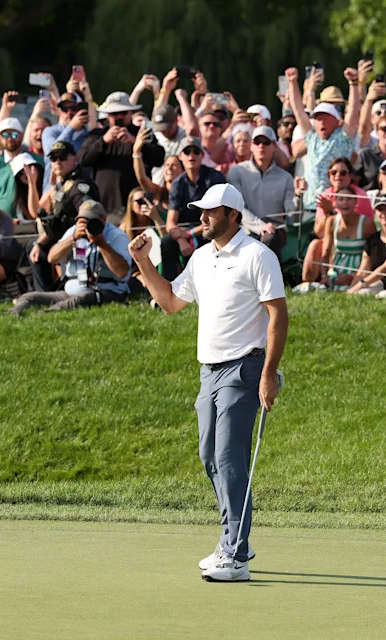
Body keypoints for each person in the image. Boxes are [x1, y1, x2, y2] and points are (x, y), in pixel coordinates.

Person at [127, 183, 288, 582]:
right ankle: (238, 540)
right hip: (209, 370)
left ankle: (235, 556)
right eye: (201, 211)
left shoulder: (258, 256)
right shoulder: (201, 258)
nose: (202, 217)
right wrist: (144, 261)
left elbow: (278, 317)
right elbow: (169, 303)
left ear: (233, 215)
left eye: (211, 212)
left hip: (245, 368)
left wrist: (268, 374)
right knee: (209, 457)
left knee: (231, 461)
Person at [9, 199, 131, 315]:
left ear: (104, 220)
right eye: (83, 221)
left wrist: (102, 244)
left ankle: (43, 315)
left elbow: (122, 272)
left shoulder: (116, 236)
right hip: (71, 290)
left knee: (82, 298)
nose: (87, 225)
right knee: (30, 297)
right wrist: (73, 238)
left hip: (105, 291)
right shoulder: (74, 231)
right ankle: (12, 313)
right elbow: (52, 258)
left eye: (91, 221)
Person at [285, 64, 363, 214]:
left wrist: (353, 83)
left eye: (325, 118)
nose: (320, 122)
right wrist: (292, 82)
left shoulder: (343, 137)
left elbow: (353, 112)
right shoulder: (311, 137)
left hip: (337, 207)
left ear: (336, 120)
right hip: (309, 205)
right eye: (317, 118)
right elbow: (298, 111)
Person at [28, 141, 100, 293]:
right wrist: (40, 243)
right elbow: (52, 218)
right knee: (34, 247)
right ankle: (45, 293)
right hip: (63, 236)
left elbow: (88, 215)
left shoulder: (80, 186)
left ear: (74, 159)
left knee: (41, 252)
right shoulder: (63, 184)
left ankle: (46, 294)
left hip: (79, 241)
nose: (58, 162)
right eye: (53, 159)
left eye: (62, 157)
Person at [78, 91, 164, 215]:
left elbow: (159, 159)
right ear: (107, 115)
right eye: (114, 114)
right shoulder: (97, 135)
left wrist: (136, 143)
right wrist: (103, 141)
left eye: (124, 113)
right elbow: (82, 159)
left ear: (131, 113)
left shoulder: (142, 133)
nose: (119, 117)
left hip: (136, 207)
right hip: (105, 206)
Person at [160, 136, 226, 280]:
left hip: (213, 229)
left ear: (202, 155)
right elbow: (171, 222)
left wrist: (189, 234)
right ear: (180, 156)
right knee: (166, 242)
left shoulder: (215, 178)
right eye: (187, 152)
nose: (191, 156)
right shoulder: (177, 184)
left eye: (196, 151)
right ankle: (170, 289)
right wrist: (180, 239)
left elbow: (219, 217)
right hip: (186, 233)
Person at [298, 157, 372, 284]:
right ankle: (309, 283)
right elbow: (319, 232)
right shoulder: (326, 194)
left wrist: (331, 212)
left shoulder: (358, 195)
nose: (338, 176)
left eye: (343, 173)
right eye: (334, 172)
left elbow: (354, 228)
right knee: (315, 244)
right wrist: (328, 214)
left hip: (355, 245)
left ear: (350, 176)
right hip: (332, 239)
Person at [227, 126, 294, 258]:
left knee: (267, 242)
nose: (261, 146)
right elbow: (237, 207)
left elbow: (292, 216)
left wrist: (299, 195)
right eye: (257, 142)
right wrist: (260, 226)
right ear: (251, 146)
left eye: (266, 142)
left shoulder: (286, 178)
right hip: (244, 228)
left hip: (275, 230)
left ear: (274, 146)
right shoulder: (237, 171)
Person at [0, 118, 43, 217]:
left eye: (14, 134)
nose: (10, 138)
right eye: (5, 135)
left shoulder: (37, 160)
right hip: (4, 222)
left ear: (22, 135)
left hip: (34, 218)